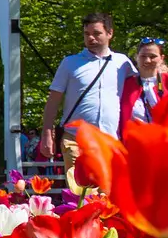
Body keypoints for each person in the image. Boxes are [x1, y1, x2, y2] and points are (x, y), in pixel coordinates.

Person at [41, 10, 134, 175]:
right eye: (87, 34)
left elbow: (145, 85)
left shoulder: (123, 63)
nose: (91, 38)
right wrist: (47, 134)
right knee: (78, 194)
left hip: (109, 141)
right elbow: (53, 101)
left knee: (107, 195)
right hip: (75, 140)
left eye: (97, 33)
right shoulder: (70, 63)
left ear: (110, 33)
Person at [121, 37, 168, 131]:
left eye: (152, 56)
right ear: (136, 57)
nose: (147, 60)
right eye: (143, 56)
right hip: (135, 141)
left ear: (162, 58)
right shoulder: (126, 85)